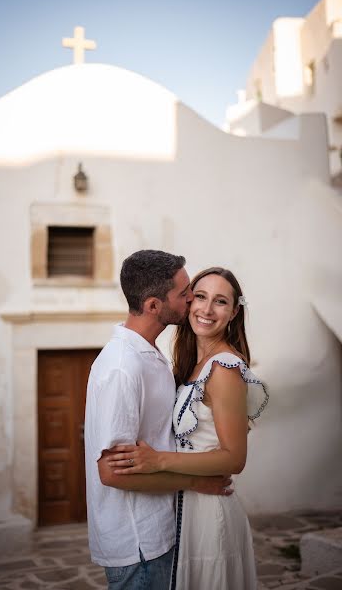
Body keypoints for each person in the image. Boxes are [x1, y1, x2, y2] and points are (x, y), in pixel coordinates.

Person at [107, 266, 269, 590]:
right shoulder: (195, 364)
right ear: (189, 301)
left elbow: (234, 458)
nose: (207, 310)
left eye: (220, 301)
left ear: (235, 312)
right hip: (190, 505)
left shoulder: (224, 368)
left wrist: (158, 460)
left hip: (211, 512)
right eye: (201, 297)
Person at [84, 253, 233, 590]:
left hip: (157, 533)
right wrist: (195, 483)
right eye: (184, 294)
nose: (192, 299)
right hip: (140, 542)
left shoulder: (147, 354)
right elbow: (110, 473)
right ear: (153, 305)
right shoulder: (123, 367)